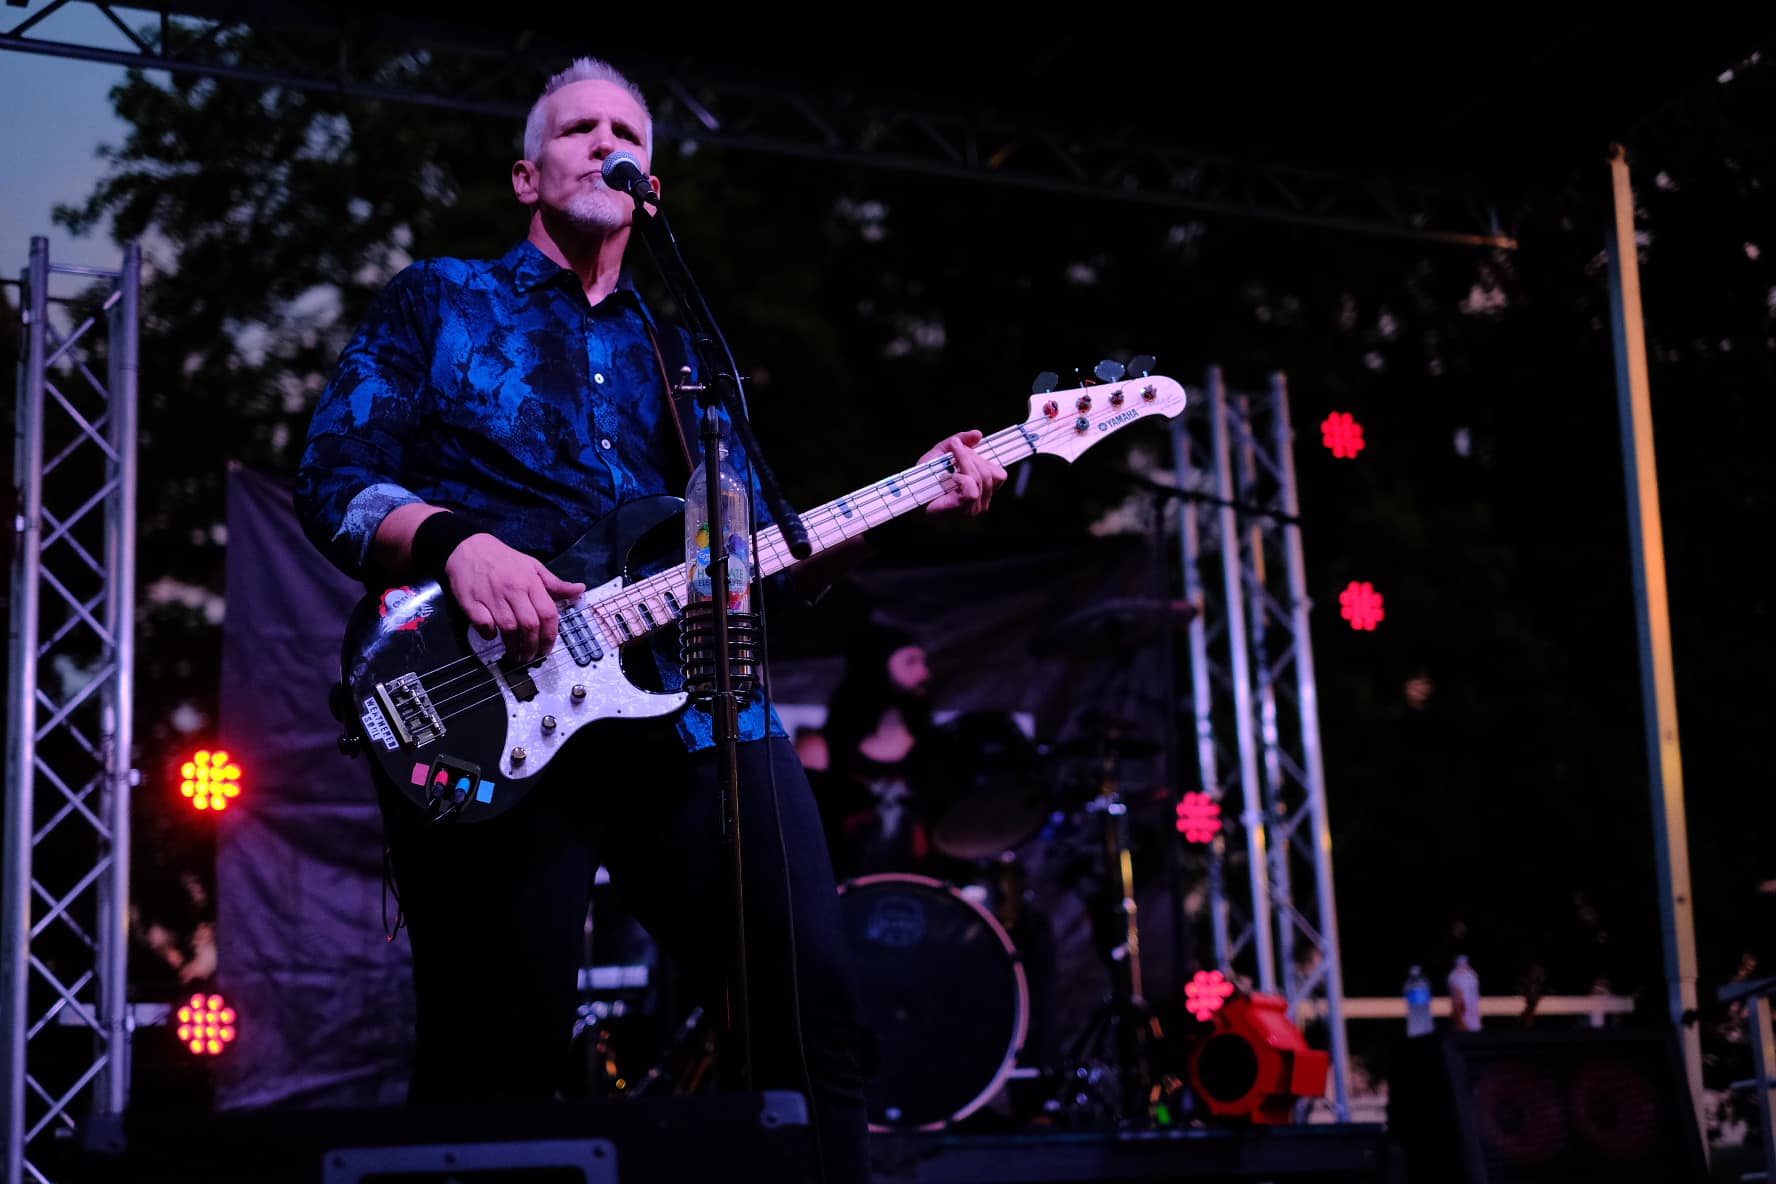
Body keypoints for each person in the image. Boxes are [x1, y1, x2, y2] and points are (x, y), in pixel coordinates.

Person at [293, 56, 1006, 1184]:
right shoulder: (441, 300)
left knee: (811, 1016)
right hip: (492, 701)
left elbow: (776, 548)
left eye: (627, 130)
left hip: (695, 705)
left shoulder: (683, 360)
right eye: (579, 128)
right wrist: (455, 543)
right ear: (528, 175)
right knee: (498, 1054)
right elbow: (332, 477)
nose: (605, 141)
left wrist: (920, 489)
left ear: (650, 182)